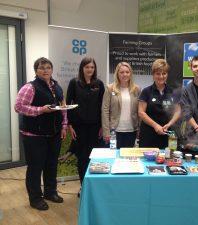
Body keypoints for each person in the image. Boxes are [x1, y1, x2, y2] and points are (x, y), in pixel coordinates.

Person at [15, 57, 67, 210]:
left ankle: (50, 192)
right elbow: (18, 107)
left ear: (52, 70)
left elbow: (63, 107)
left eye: (48, 67)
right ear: (36, 71)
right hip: (34, 135)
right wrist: (40, 110)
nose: (45, 70)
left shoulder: (57, 87)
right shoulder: (29, 87)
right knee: (35, 168)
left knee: (51, 165)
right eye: (42, 68)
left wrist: (64, 125)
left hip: (54, 134)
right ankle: (35, 198)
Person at [66, 57, 105, 185]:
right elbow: (68, 105)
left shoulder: (99, 84)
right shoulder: (74, 83)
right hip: (79, 127)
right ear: (82, 68)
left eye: (92, 67)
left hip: (95, 127)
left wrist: (102, 126)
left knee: (95, 156)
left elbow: (103, 106)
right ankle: (83, 185)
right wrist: (70, 125)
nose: (90, 69)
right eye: (87, 67)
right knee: (82, 157)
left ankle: (94, 185)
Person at [138, 59, 181, 149]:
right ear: (153, 75)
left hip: (168, 134)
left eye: (164, 73)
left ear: (167, 74)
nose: (161, 76)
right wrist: (155, 125)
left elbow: (178, 111)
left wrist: (169, 124)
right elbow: (141, 112)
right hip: (149, 135)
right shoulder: (146, 91)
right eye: (158, 74)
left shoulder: (173, 91)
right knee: (147, 161)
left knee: (168, 160)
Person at [102, 62, 140, 148]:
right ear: (117, 74)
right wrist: (106, 132)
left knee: (128, 158)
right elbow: (105, 110)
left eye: (127, 72)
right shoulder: (110, 88)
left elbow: (139, 111)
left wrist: (139, 129)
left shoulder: (136, 89)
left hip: (131, 130)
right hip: (114, 131)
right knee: (114, 157)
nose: (124, 74)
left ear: (130, 74)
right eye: (121, 72)